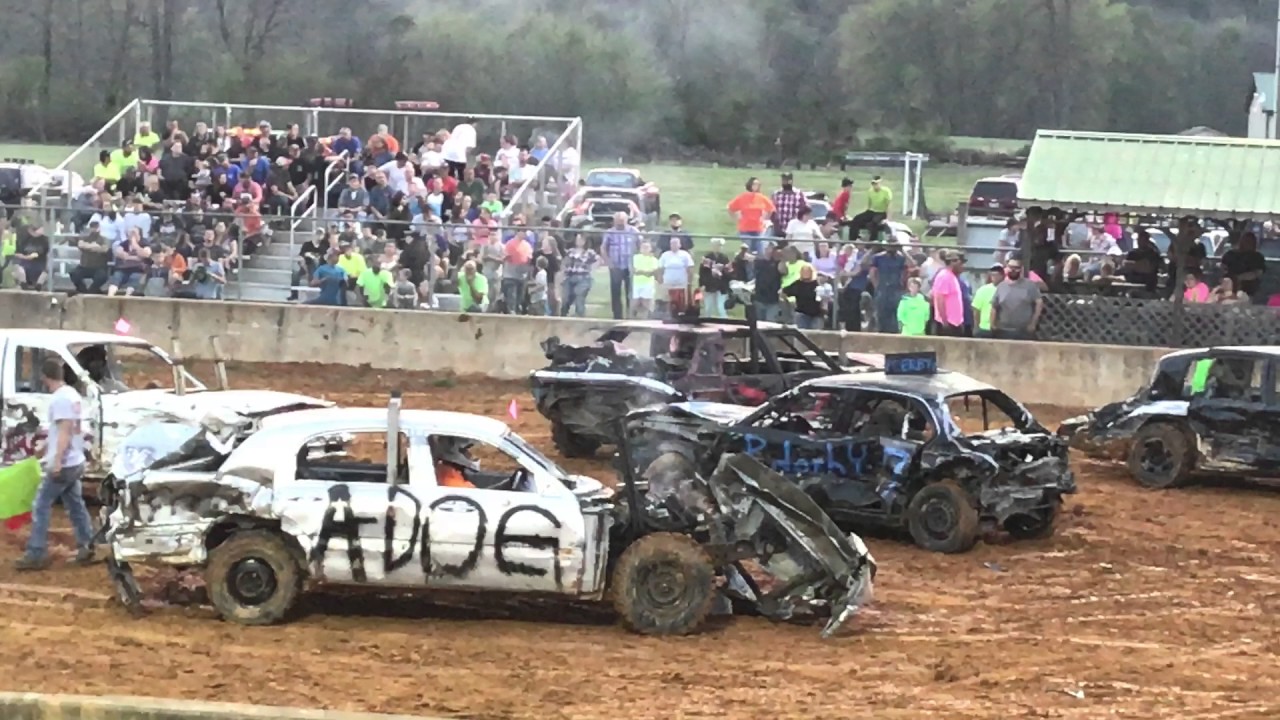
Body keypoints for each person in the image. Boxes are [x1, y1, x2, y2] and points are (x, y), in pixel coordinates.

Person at [16, 359, 96, 571]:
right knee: (75, 505)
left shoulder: (60, 399)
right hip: (76, 459)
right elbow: (63, 430)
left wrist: (57, 460)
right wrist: (44, 448)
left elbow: (64, 431)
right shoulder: (71, 394)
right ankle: (88, 545)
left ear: (44, 377)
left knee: (41, 505)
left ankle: (36, 552)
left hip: (66, 462)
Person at [991, 259, 1043, 340]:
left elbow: (1039, 303)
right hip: (1003, 330)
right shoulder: (1001, 286)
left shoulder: (1030, 285)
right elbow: (994, 306)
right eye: (1011, 267)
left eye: (1016, 267)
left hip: (1024, 331)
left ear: (1021, 269)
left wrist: (1033, 323)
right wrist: (993, 324)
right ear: (1006, 268)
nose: (1013, 270)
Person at [727, 177, 774, 253]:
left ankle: (758, 264)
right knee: (747, 251)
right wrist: (736, 218)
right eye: (754, 184)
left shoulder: (761, 197)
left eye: (758, 184)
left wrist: (765, 219)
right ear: (749, 185)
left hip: (758, 229)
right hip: (745, 229)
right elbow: (730, 207)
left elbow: (771, 209)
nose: (756, 186)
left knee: (760, 251)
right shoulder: (743, 197)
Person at [931, 250, 966, 337]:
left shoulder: (952, 276)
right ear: (952, 262)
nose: (963, 266)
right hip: (948, 324)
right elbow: (940, 299)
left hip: (955, 323)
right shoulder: (944, 276)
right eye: (961, 263)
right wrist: (945, 322)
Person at [848, 175, 893, 242]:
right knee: (856, 219)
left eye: (876, 184)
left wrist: (888, 219)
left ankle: (872, 242)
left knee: (873, 224)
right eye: (873, 184)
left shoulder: (886, 191)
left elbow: (889, 205)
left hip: (881, 212)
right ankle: (852, 240)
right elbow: (869, 205)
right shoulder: (870, 191)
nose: (875, 186)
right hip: (872, 211)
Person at [657, 237, 695, 315]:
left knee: (681, 301)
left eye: (675, 244)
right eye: (672, 244)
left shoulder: (685, 254)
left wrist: (690, 280)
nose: (673, 245)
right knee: (668, 300)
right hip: (668, 282)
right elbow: (660, 268)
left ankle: (681, 314)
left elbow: (690, 267)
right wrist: (660, 279)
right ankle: (668, 315)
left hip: (681, 282)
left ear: (679, 245)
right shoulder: (665, 255)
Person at [783, 263, 824, 329]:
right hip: (801, 314)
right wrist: (788, 304)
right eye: (804, 271)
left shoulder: (817, 283)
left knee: (816, 336)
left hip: (817, 314)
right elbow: (784, 291)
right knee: (801, 335)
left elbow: (824, 296)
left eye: (808, 271)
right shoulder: (798, 284)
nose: (806, 273)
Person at [970, 265, 1004, 338]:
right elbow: (976, 310)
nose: (994, 277)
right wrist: (976, 326)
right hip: (984, 328)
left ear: (1002, 276)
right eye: (992, 275)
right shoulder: (982, 290)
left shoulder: (1006, 289)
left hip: (1001, 329)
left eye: (997, 275)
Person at [631, 240, 658, 319]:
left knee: (647, 303)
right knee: (635, 303)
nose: (645, 249)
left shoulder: (654, 259)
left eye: (647, 247)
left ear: (650, 249)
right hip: (637, 284)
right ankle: (632, 319)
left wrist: (641, 272)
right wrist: (645, 272)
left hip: (648, 284)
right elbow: (634, 271)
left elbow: (652, 272)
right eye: (643, 247)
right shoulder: (635, 258)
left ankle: (648, 319)